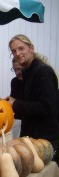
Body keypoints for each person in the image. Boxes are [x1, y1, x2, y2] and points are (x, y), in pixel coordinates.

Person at [6, 34, 59, 165]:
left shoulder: (43, 72)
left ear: (31, 48)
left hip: (44, 141)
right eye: (14, 51)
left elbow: (47, 107)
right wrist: (5, 106)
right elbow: (27, 108)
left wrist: (16, 103)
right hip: (30, 139)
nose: (17, 53)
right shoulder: (27, 72)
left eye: (21, 48)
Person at [9, 58, 23, 139]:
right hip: (19, 119)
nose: (17, 73)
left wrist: (15, 102)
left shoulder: (34, 81)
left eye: (19, 69)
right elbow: (13, 101)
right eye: (14, 70)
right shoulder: (15, 82)